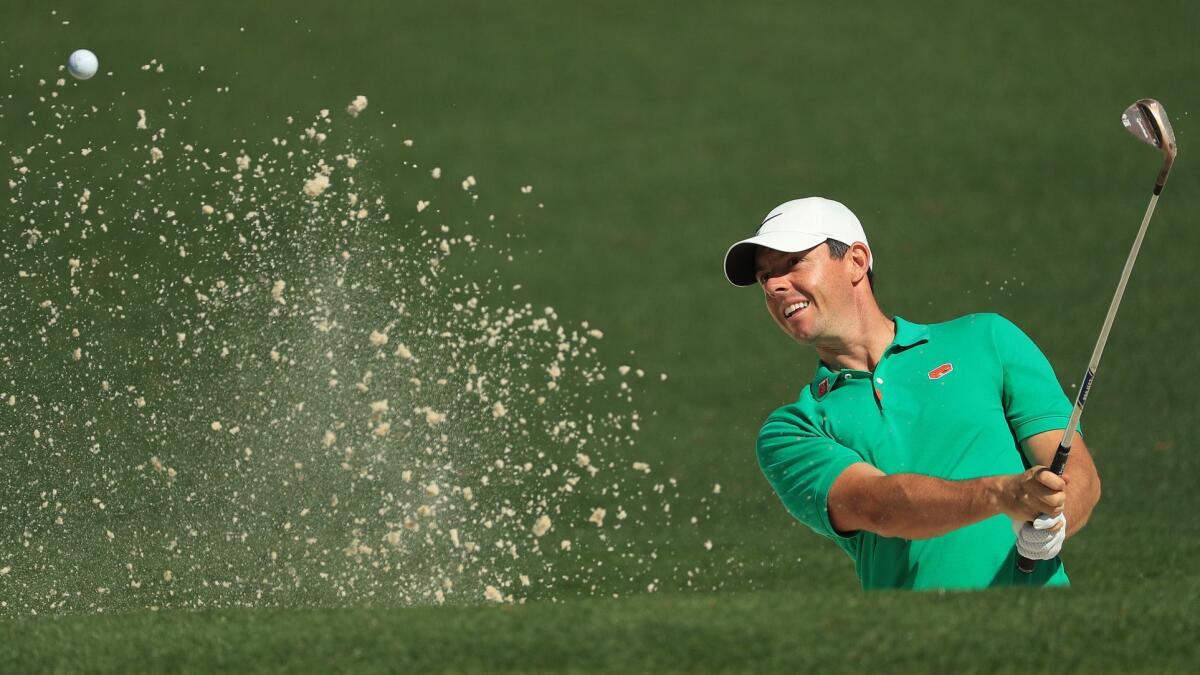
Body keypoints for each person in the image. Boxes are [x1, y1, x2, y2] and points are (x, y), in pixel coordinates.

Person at [723, 197, 1101, 590]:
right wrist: (1002, 495)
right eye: (764, 276)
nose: (773, 284)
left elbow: (1077, 474)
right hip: (916, 641)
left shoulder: (987, 338)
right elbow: (877, 505)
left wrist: (1056, 521)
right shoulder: (793, 429)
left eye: (792, 262)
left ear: (855, 261)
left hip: (1038, 625)